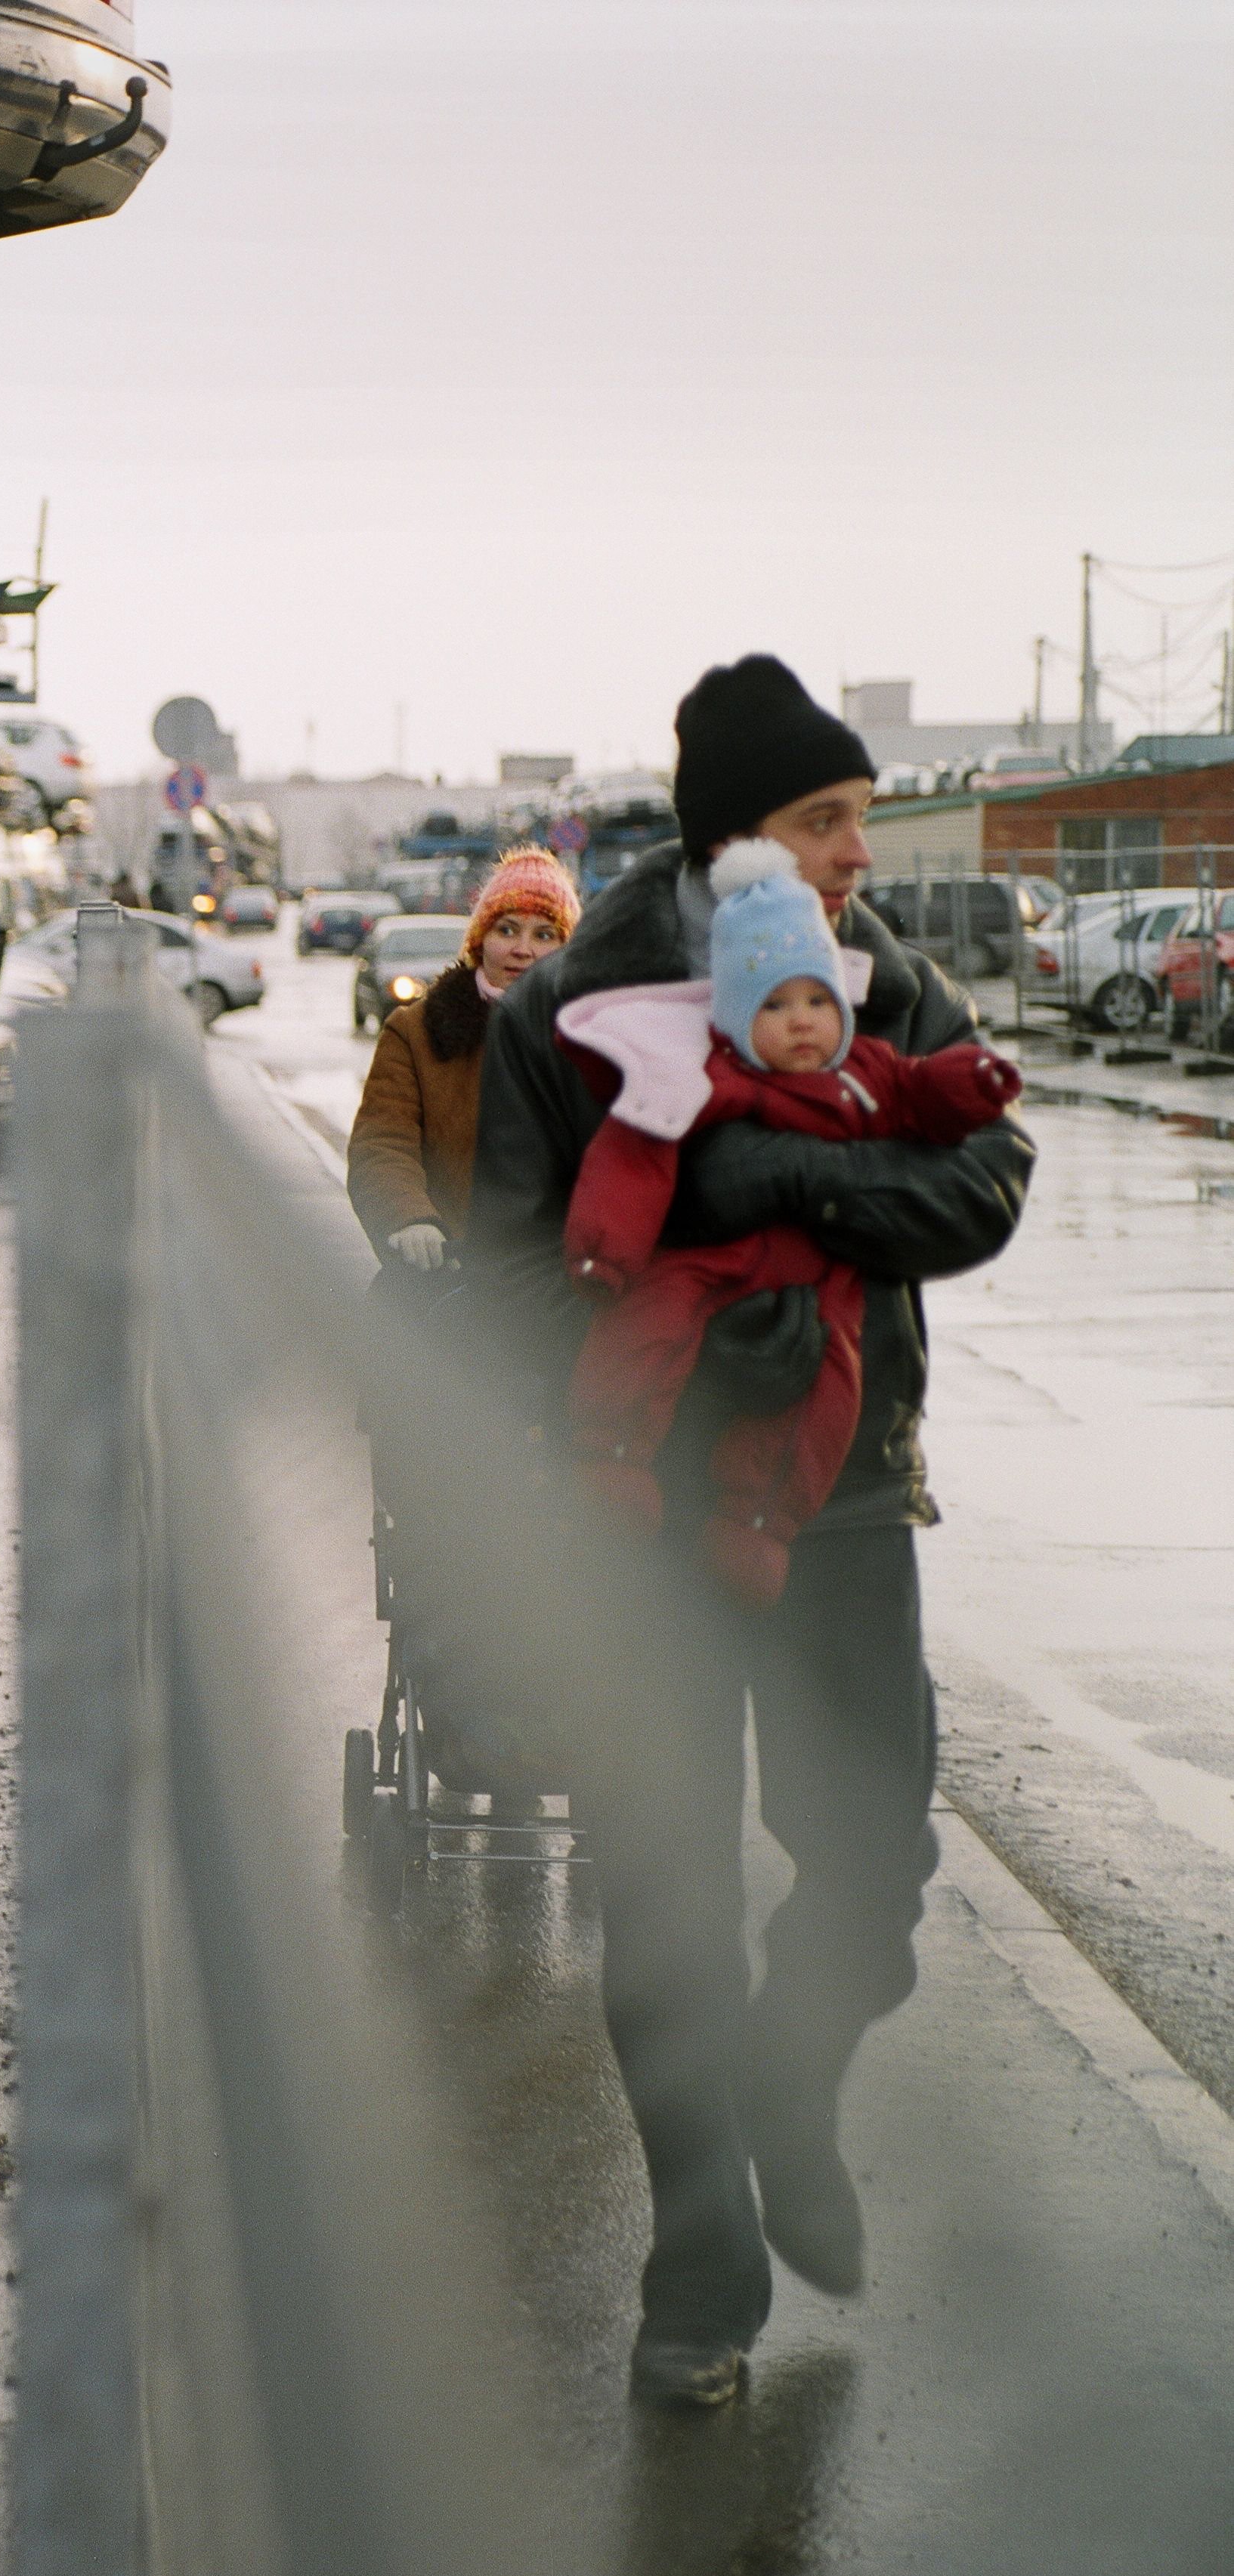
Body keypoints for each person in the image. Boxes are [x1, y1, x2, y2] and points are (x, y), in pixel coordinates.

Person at [467, 654, 1035, 2411]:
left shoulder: (888, 985)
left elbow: (984, 1179)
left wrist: (778, 1183)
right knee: (666, 1900)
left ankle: (792, 2086)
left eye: (863, 813)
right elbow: (498, 1283)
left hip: (846, 1497)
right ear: (735, 838)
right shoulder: (568, 1008)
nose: (861, 848)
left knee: (870, 1861)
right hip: (637, 1522)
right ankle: (698, 2266)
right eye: (826, 818)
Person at [556, 851, 1022, 1603]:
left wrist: (971, 1084)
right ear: (738, 1015)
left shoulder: (864, 1070)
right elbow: (636, 1144)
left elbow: (916, 1094)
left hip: (819, 1275)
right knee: (642, 1330)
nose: (800, 1019)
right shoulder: (709, 1071)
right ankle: (608, 1456)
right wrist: (603, 1248)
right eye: (772, 1005)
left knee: (826, 1396)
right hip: (712, 1258)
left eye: (815, 999)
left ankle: (757, 1520)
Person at [348, 847, 579, 1266]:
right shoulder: (415, 1032)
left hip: (559, 1285)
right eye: (507, 930)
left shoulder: (592, 1040)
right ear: (480, 941)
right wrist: (412, 1220)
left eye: (544, 935)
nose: (522, 950)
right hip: (454, 1269)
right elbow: (382, 1143)